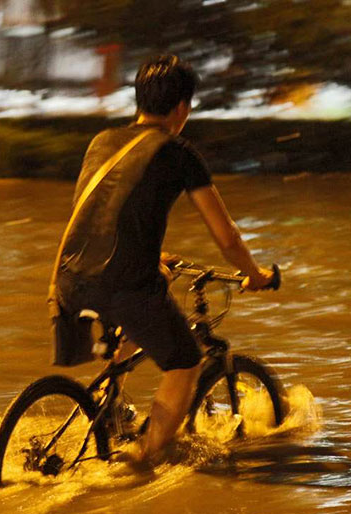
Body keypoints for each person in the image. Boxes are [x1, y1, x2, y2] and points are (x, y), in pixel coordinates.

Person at [48, 54, 275, 467]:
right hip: (122, 283)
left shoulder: (101, 142)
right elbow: (227, 237)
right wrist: (255, 275)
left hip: (71, 274)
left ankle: (108, 406)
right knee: (185, 360)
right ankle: (142, 460)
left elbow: (98, 215)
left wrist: (152, 257)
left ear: (139, 100)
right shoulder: (178, 154)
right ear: (182, 108)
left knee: (143, 305)